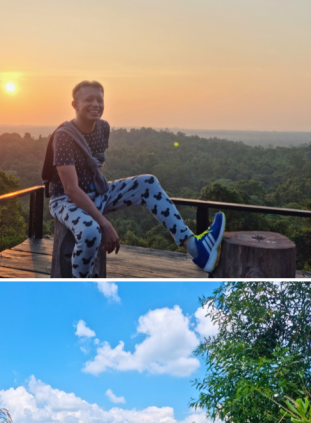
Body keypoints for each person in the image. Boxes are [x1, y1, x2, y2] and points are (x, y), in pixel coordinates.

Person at [43, 80, 225, 278]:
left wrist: (98, 205)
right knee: (90, 231)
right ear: (75, 105)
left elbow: (97, 170)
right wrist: (104, 223)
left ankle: (195, 248)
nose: (95, 104)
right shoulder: (63, 136)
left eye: (100, 100)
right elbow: (70, 189)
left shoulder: (102, 128)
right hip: (65, 200)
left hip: (96, 192)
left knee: (148, 183)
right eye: (88, 99)